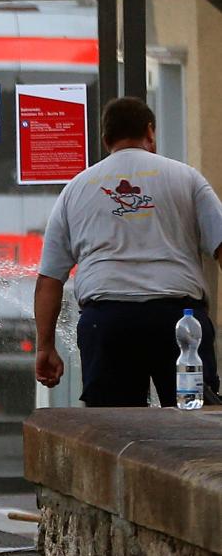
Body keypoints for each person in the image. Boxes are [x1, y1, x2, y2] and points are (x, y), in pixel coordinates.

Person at [34, 96, 222, 406]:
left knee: (114, 433)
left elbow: (49, 280)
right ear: (150, 132)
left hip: (107, 323)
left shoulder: (76, 189)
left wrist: (45, 347)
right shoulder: (186, 178)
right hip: (179, 321)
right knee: (193, 428)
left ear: (106, 139)